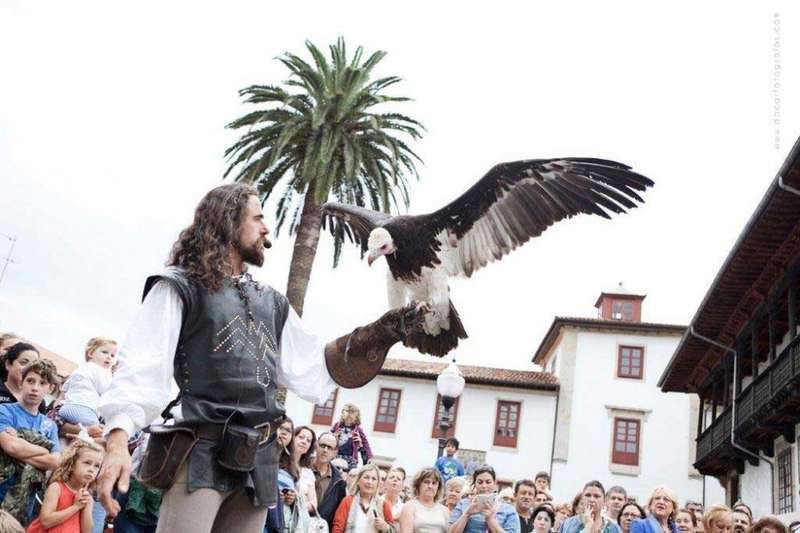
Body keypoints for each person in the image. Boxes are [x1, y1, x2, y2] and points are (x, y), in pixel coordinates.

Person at [95, 184, 431, 533]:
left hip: (259, 457)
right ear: (227, 223)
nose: (266, 229)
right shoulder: (180, 286)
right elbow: (142, 366)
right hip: (200, 449)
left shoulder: (272, 303)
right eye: (258, 219)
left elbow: (314, 370)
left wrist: (379, 333)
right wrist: (118, 438)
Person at [27, 440, 104, 533]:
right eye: (87, 463)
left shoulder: (88, 498)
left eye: (96, 466)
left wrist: (86, 507)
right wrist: (75, 507)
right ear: (71, 465)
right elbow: (45, 521)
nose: (91, 469)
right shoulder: (56, 488)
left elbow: (87, 531)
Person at [58, 338, 116, 438]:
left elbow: (65, 388)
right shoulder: (99, 370)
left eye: (112, 355)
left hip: (66, 407)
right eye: (105, 352)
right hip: (83, 409)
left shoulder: (81, 369)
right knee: (99, 432)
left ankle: (77, 434)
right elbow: (107, 391)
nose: (109, 357)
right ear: (90, 353)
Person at [447, 465, 520, 533]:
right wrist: (467, 514)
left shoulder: (508, 509)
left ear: (494, 484)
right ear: (474, 484)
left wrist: (490, 519)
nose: (484, 486)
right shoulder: (463, 504)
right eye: (480, 482)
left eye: (488, 482)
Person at [332, 463, 394, 533]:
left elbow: (393, 530)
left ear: (377, 483)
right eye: (366, 477)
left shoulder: (384, 505)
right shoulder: (348, 501)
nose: (369, 482)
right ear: (358, 480)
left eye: (374, 479)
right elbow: (337, 528)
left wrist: (386, 528)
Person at [398, 467, 449, 533]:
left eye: (434, 483)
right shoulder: (409, 507)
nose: (430, 486)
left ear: (438, 487)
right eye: (426, 482)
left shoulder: (445, 510)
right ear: (418, 485)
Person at [313, 432, 347, 529]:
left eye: (329, 447)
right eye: (322, 445)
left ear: (335, 453)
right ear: (316, 445)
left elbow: (336, 516)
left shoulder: (339, 482)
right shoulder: (302, 468)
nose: (325, 450)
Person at [332, 404, 373, 471]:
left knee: (349, 475)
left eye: (352, 412)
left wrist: (370, 456)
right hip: (337, 455)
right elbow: (329, 436)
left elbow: (365, 444)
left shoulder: (358, 430)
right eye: (347, 411)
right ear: (343, 413)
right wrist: (334, 437)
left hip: (351, 458)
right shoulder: (337, 425)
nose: (349, 414)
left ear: (356, 416)